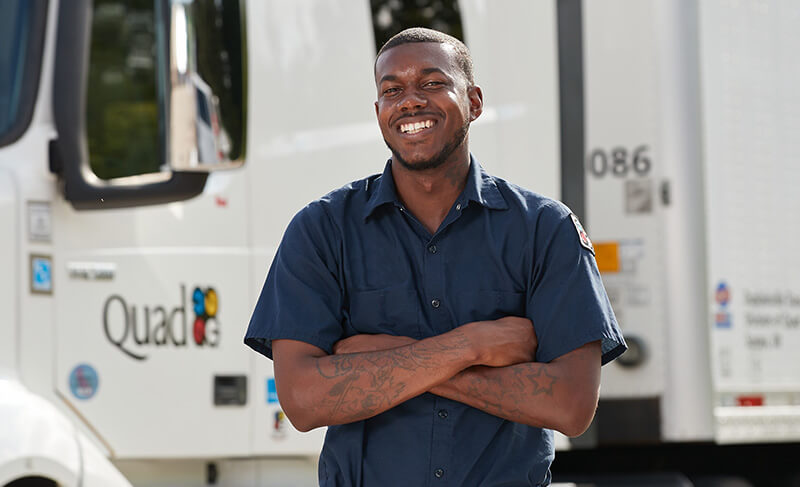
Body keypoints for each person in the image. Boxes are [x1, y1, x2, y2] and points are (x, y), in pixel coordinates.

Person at [245, 27, 626, 487]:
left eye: (432, 83)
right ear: (379, 112)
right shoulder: (322, 230)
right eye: (392, 90)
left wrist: (386, 358)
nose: (410, 101)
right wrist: (473, 346)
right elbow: (304, 402)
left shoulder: (545, 230)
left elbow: (570, 406)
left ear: (474, 102)